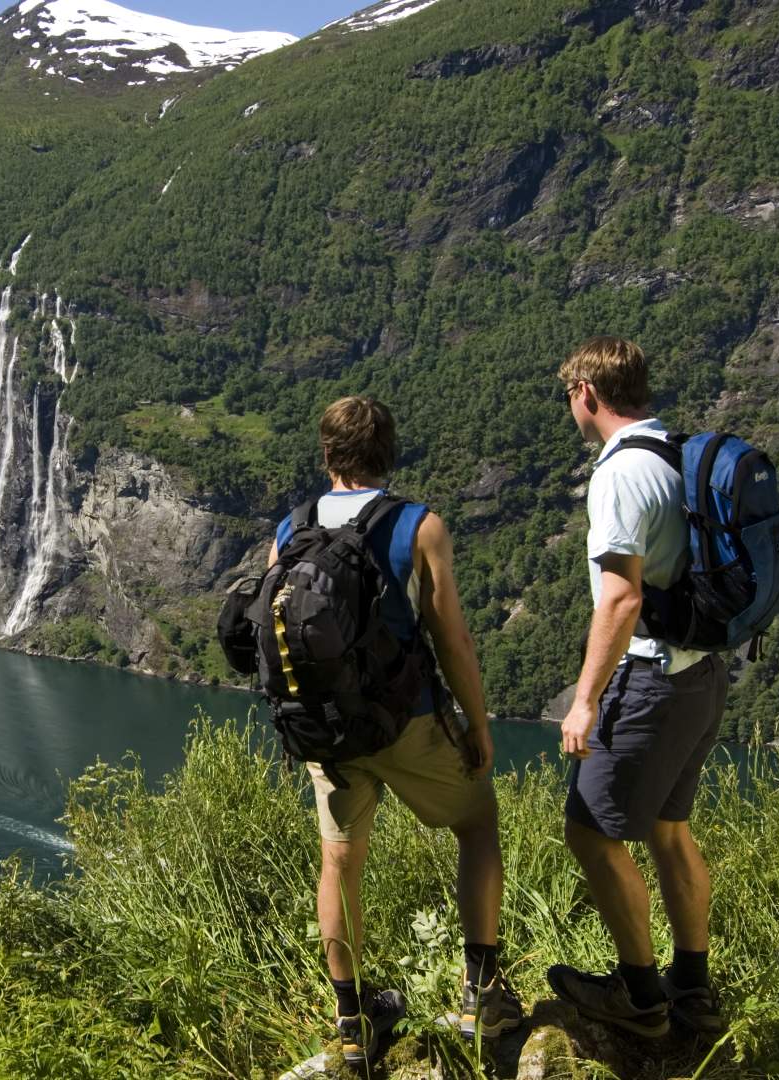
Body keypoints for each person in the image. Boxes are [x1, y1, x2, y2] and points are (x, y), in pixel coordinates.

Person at [267, 395, 520, 1067]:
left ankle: (352, 1022)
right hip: (406, 723)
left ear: (327, 453)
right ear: (389, 453)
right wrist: (476, 722)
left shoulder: (291, 528)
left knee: (339, 862)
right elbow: (452, 638)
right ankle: (481, 996)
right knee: (477, 823)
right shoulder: (419, 525)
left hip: (326, 731)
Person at [547, 337, 730, 1038]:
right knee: (667, 830)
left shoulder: (620, 472)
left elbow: (621, 599)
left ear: (586, 393)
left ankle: (640, 996)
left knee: (590, 835)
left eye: (569, 396)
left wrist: (585, 700)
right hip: (701, 673)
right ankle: (693, 988)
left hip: (651, 680)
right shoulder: (676, 454)